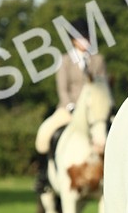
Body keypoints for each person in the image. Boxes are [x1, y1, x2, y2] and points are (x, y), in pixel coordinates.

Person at [33, 18, 108, 193]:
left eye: (88, 37)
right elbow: (62, 88)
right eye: (82, 37)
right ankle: (43, 177)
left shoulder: (98, 60)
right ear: (73, 40)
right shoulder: (64, 61)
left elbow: (103, 88)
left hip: (94, 112)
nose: (86, 41)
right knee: (43, 135)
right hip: (68, 109)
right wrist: (70, 106)